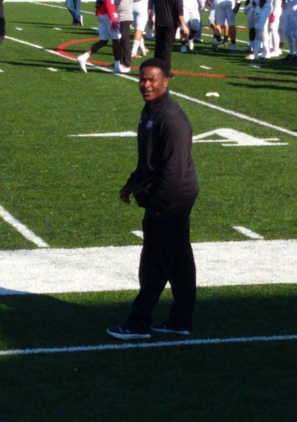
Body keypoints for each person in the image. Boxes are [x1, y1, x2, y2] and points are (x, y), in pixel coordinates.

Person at [107, 57, 199, 340]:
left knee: (154, 263)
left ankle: (138, 323)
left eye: (152, 80)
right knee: (179, 260)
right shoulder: (150, 111)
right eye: (142, 79)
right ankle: (180, 320)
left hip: (172, 197)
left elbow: (173, 168)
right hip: (166, 194)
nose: (146, 85)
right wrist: (131, 183)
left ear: (165, 81)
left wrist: (158, 207)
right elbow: (149, 159)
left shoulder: (171, 118)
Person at [77, 0, 126, 73]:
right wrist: (113, 19)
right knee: (116, 39)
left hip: (100, 14)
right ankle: (117, 66)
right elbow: (108, 2)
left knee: (103, 41)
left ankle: (84, 57)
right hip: (107, 14)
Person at [149, 0, 189, 74]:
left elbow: (150, 4)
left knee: (158, 46)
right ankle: (165, 70)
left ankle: (155, 67)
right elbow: (179, 10)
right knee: (167, 47)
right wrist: (183, 25)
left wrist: (149, 18)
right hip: (171, 23)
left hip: (159, 22)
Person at [116, 0, 133, 70]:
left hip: (125, 18)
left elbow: (123, 6)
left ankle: (127, 63)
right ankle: (121, 61)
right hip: (120, 17)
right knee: (120, 40)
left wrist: (113, 9)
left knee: (125, 40)